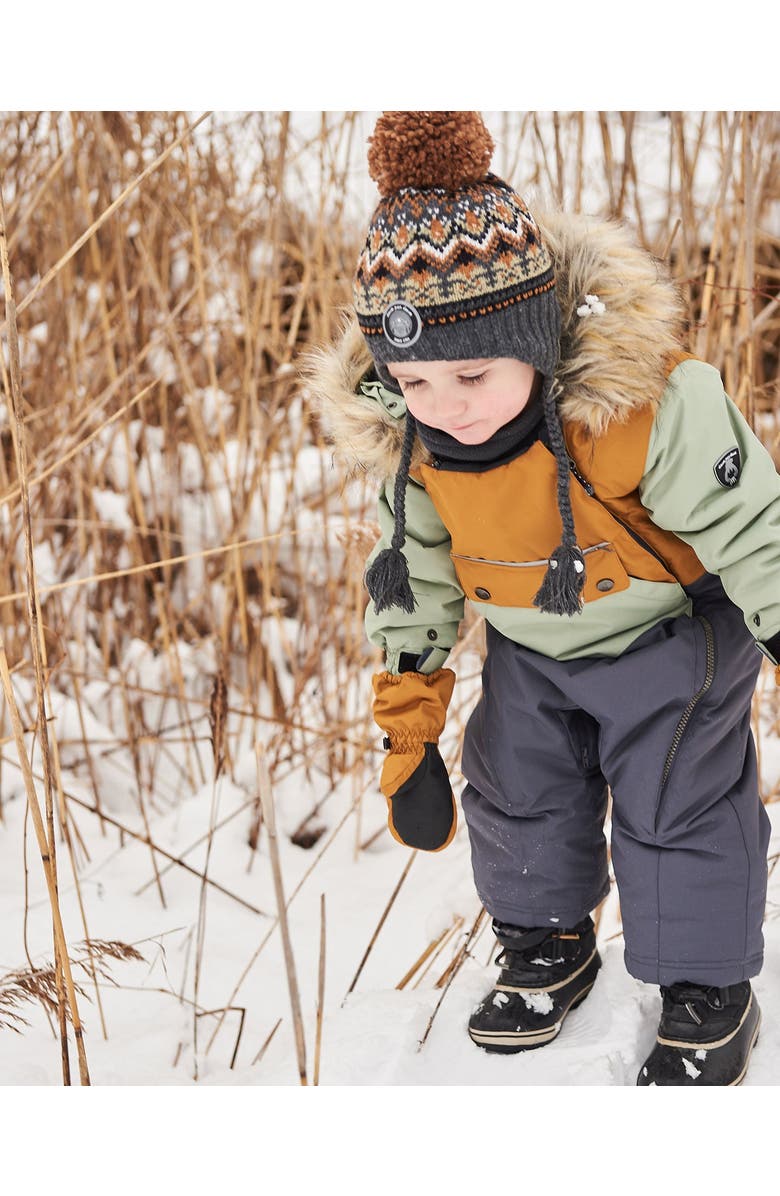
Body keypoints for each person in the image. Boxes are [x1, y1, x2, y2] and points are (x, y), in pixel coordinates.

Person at [306, 111, 777, 1085]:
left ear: (531, 336)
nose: (447, 403)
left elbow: (753, 527)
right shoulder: (417, 447)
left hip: (670, 631)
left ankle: (705, 985)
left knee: (675, 798)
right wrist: (408, 726)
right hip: (533, 643)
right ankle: (544, 939)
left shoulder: (645, 410)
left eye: (473, 371)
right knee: (514, 783)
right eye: (415, 378)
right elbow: (413, 579)